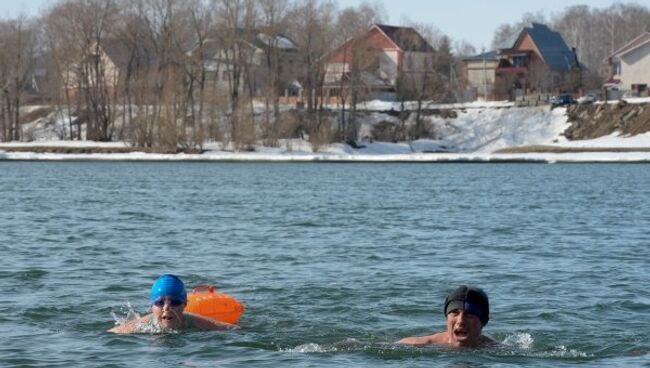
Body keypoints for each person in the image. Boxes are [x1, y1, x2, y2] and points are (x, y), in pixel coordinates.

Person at [108, 274, 237, 334]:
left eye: (174, 302)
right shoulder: (142, 326)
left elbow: (230, 329)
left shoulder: (195, 322)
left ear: (185, 304)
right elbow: (111, 334)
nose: (166, 307)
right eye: (160, 302)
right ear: (152, 305)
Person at [398, 285, 495, 348]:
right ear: (446, 317)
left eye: (469, 315)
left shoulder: (496, 350)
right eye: (455, 313)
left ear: (484, 321)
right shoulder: (419, 345)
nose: (460, 321)